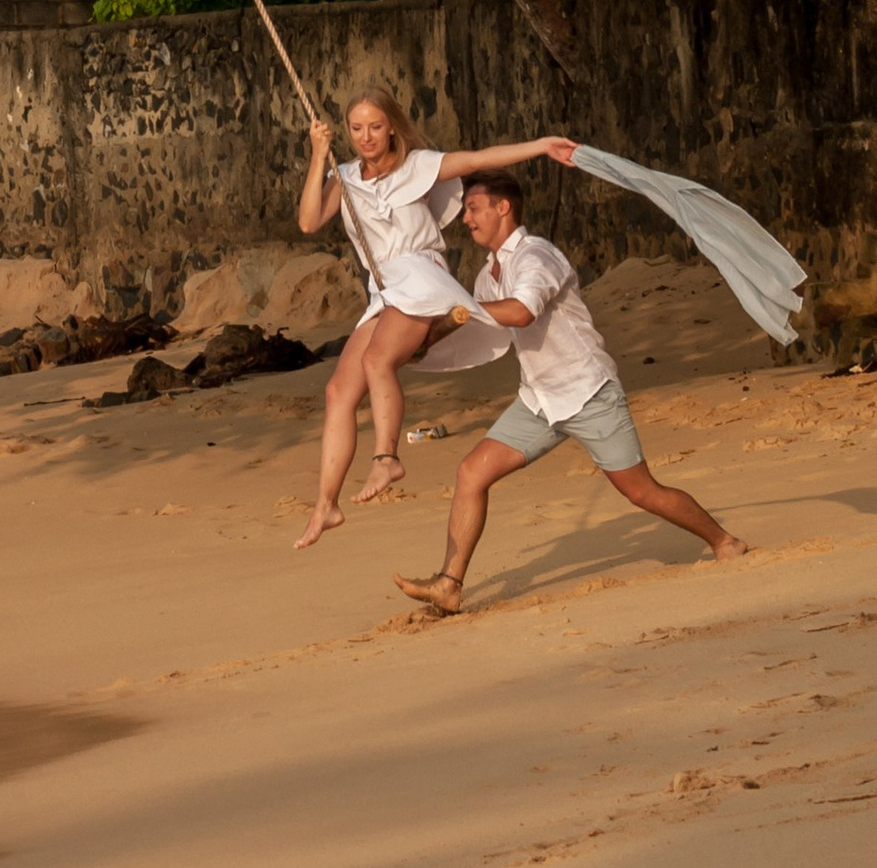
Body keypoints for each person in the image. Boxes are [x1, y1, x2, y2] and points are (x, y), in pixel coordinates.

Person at [394, 167, 748, 613]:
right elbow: (482, 335)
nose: (465, 218)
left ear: (503, 208)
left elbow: (521, 313)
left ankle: (725, 541)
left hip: (588, 391)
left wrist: (458, 309)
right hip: (538, 400)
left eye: (472, 208)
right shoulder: (489, 275)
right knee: (471, 473)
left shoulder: (537, 257)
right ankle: (449, 584)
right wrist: (419, 348)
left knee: (642, 492)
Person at [293, 93, 577, 549]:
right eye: (357, 129)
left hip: (420, 275)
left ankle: (387, 457)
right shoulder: (343, 178)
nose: (366, 137)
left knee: (378, 362)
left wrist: (541, 146)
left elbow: (478, 158)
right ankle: (326, 504)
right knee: (337, 391)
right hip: (384, 287)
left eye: (375, 127)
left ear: (392, 128)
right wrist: (319, 155)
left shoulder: (416, 166)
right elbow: (309, 221)